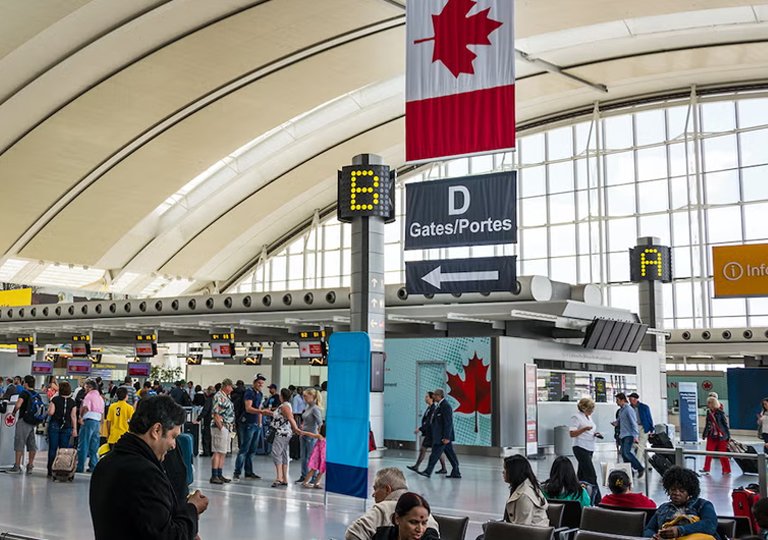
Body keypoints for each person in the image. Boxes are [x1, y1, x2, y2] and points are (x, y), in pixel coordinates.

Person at [89, 395, 209, 539]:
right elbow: (167, 536)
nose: (174, 445)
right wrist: (192, 509)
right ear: (156, 430)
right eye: (173, 436)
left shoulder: (105, 464)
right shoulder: (146, 475)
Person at [345, 467, 439, 540]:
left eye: (375, 489)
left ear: (387, 489)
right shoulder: (424, 511)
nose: (373, 494)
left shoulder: (382, 509)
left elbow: (353, 534)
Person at [643, 466, 719, 539]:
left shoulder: (702, 505)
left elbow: (710, 525)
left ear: (689, 492)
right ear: (668, 490)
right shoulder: (663, 508)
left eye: (681, 491)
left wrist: (680, 530)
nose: (677, 493)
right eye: (673, 489)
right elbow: (649, 529)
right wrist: (654, 536)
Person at [417, 388, 461, 479]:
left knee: (434, 454)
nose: (433, 396)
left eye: (435, 395)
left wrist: (446, 437)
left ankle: (428, 471)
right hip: (440, 436)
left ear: (439, 396)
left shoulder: (446, 406)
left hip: (443, 437)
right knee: (451, 455)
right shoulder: (439, 406)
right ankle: (456, 472)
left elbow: (448, 423)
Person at [233, 374, 267, 481]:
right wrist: (261, 412)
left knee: (252, 450)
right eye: (259, 383)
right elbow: (248, 408)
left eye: (262, 383)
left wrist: (260, 423)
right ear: (254, 382)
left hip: (256, 424)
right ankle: (237, 472)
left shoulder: (260, 394)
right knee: (244, 449)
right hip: (247, 423)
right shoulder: (249, 393)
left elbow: (259, 408)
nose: (260, 385)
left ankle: (248, 472)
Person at [501, 454, 549, 526]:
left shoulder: (524, 496)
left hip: (533, 532)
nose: (503, 472)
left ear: (514, 472)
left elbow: (522, 527)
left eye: (505, 469)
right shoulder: (523, 487)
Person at [371, 492, 440, 540]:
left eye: (424, 523)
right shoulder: (383, 536)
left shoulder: (429, 538)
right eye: (413, 522)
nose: (420, 529)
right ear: (397, 518)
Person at [7, 375, 40, 474]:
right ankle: (30, 466)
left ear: (25, 383)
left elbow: (18, 404)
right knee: (32, 444)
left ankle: (17, 466)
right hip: (32, 422)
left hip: (24, 421)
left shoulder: (24, 393)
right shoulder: (36, 394)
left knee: (19, 443)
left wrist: (13, 412)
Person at [407, 392, 446, 474]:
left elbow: (429, 422)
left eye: (427, 397)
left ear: (431, 398)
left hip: (431, 434)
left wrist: (420, 429)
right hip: (429, 433)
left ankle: (418, 466)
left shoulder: (433, 408)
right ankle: (443, 468)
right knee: (433, 450)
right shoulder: (429, 408)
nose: (425, 398)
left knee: (427, 449)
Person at [270, 387, 301, 487]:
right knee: (283, 454)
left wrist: (296, 428)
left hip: (281, 433)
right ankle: (284, 478)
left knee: (276, 453)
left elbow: (290, 418)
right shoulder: (286, 405)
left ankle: (279, 477)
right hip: (285, 433)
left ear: (281, 396)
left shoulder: (284, 406)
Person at [47, 380, 78, 477]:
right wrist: (75, 429)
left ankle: (50, 470)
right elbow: (73, 416)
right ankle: (61, 469)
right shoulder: (72, 402)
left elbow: (51, 412)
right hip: (67, 427)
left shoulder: (55, 400)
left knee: (52, 449)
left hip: (54, 425)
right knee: (63, 450)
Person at [569, 396, 601, 486]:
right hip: (580, 447)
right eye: (590, 409)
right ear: (584, 408)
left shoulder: (589, 417)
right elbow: (572, 433)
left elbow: (590, 430)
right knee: (590, 474)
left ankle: (579, 489)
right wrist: (584, 429)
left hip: (590, 447)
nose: (592, 411)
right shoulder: (576, 417)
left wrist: (594, 433)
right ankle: (595, 492)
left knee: (582, 473)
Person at [77, 378, 105, 473]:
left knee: (83, 444)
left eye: (85, 386)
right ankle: (93, 466)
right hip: (97, 422)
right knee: (94, 446)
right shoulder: (100, 397)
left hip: (88, 421)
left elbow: (86, 407)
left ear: (90, 387)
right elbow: (102, 412)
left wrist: (81, 417)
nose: (84, 388)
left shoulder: (89, 396)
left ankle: (80, 466)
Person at [210, 378, 235, 484]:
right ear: (226, 386)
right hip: (219, 427)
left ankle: (219, 474)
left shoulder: (226, 396)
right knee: (217, 451)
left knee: (223, 451)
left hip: (227, 427)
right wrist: (221, 427)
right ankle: (214, 475)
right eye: (231, 387)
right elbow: (215, 413)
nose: (232, 389)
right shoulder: (218, 396)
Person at [614, 392, 644, 478]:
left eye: (617, 400)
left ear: (623, 400)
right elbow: (620, 421)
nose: (616, 402)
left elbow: (634, 423)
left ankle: (639, 468)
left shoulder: (629, 410)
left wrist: (635, 436)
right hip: (623, 434)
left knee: (626, 452)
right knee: (624, 454)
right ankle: (630, 471)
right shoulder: (621, 410)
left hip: (629, 434)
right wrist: (616, 423)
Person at [297, 387, 323, 484]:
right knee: (303, 456)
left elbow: (320, 423)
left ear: (312, 396)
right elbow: (305, 420)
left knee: (311, 457)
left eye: (306, 396)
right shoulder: (307, 407)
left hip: (311, 436)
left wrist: (319, 436)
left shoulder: (315, 409)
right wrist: (302, 426)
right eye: (304, 396)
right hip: (303, 434)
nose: (304, 398)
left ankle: (314, 476)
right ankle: (304, 475)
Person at [700, 396, 731, 476]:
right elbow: (707, 425)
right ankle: (706, 468)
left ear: (713, 403)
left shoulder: (720, 413)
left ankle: (727, 470)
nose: (708, 404)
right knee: (708, 452)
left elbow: (725, 425)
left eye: (709, 403)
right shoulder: (709, 413)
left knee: (722, 453)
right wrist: (704, 434)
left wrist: (728, 436)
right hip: (711, 435)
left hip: (721, 436)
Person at [629, 392, 654, 465]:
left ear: (635, 399)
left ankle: (637, 465)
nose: (630, 401)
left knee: (640, 446)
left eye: (631, 399)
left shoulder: (644, 407)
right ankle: (650, 463)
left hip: (643, 428)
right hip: (634, 428)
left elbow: (649, 418)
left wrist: (651, 429)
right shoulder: (629, 408)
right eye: (629, 400)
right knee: (641, 447)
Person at [301, 423, 326, 489]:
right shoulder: (320, 436)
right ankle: (305, 482)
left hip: (323, 457)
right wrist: (303, 432)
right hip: (317, 456)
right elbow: (311, 434)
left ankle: (316, 483)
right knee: (313, 469)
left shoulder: (327, 438)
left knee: (321, 470)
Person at [198, 385, 214, 457]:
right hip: (215, 420)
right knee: (212, 437)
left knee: (206, 436)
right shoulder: (217, 399)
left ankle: (206, 452)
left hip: (208, 420)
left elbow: (205, 410)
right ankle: (211, 451)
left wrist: (199, 418)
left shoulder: (209, 399)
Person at [230, 380, 246, 448]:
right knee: (243, 432)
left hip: (233, 414)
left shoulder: (233, 393)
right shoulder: (245, 393)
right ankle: (242, 446)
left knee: (232, 431)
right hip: (243, 415)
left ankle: (229, 448)